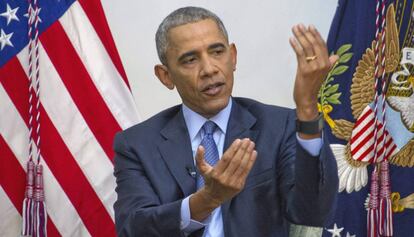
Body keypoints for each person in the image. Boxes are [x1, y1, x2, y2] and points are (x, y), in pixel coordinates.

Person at [113, 6, 339, 237]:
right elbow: (133, 229)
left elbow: (312, 212)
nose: (209, 69)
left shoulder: (280, 126)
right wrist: (206, 200)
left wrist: (308, 108)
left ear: (233, 57)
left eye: (217, 52)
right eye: (190, 59)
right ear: (166, 76)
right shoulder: (136, 144)